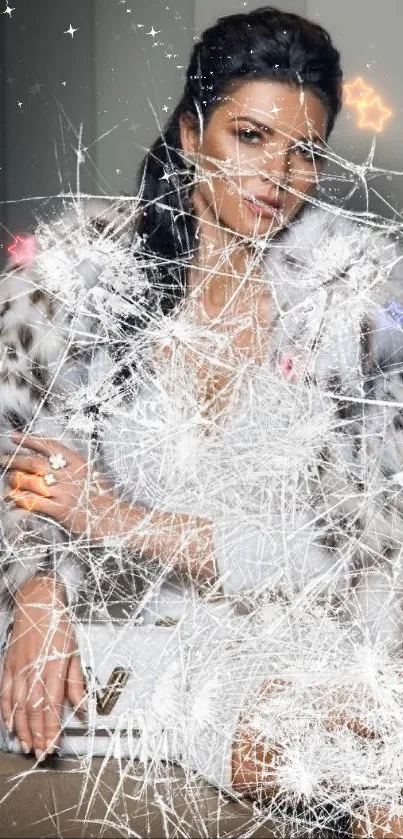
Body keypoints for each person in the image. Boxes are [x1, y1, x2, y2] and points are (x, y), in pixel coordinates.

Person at [0, 6, 403, 837]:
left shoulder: (354, 307)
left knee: (367, 741)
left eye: (305, 152)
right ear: (191, 132)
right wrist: (37, 592)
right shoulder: (84, 281)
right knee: (276, 726)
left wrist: (114, 516)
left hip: (294, 637)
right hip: (120, 635)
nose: (277, 175)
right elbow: (16, 454)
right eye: (250, 135)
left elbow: (336, 545)